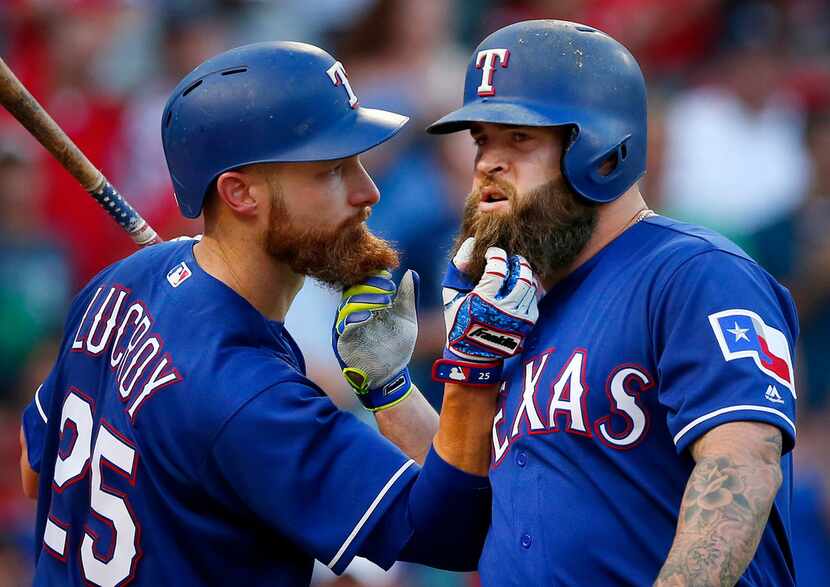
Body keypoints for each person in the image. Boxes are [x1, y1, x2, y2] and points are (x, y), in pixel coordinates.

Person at [17, 42, 540, 586]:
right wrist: (450, 381)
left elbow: (36, 470)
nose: (368, 191)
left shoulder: (122, 282)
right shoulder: (250, 395)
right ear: (239, 192)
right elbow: (465, 533)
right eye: (332, 170)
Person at [426, 20, 798, 586]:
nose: (486, 164)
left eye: (519, 137)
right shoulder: (514, 313)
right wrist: (396, 389)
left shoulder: (696, 274)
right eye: (481, 139)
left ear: (602, 149)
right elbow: (459, 518)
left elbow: (742, 463)